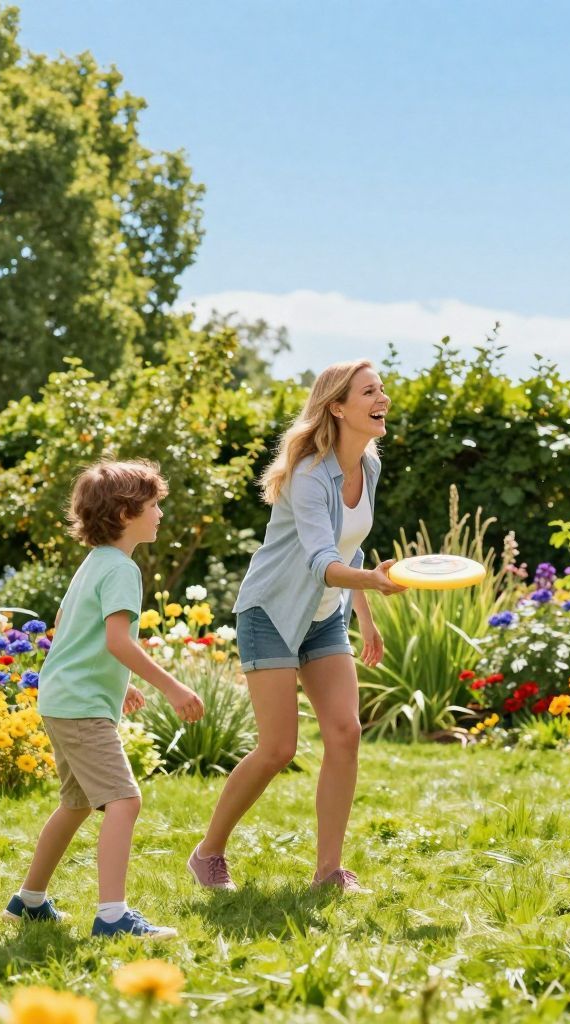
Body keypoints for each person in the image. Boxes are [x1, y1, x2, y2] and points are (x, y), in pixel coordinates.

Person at [188, 360, 404, 894]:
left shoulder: (368, 466)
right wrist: (372, 583)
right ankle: (208, 852)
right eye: (369, 392)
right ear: (337, 407)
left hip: (323, 617)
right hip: (273, 612)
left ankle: (329, 871)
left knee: (345, 733)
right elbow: (321, 561)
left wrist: (365, 615)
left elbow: (349, 546)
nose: (382, 399)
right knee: (278, 747)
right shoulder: (309, 474)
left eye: (382, 389)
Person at [6, 459, 205, 938]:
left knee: (76, 803)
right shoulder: (121, 569)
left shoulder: (95, 563)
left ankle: (29, 901)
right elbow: (118, 641)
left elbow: (73, 630)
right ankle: (113, 916)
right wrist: (172, 687)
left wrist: (120, 681)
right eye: (153, 505)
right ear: (123, 513)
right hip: (81, 706)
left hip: (64, 699)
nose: (160, 513)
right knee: (124, 801)